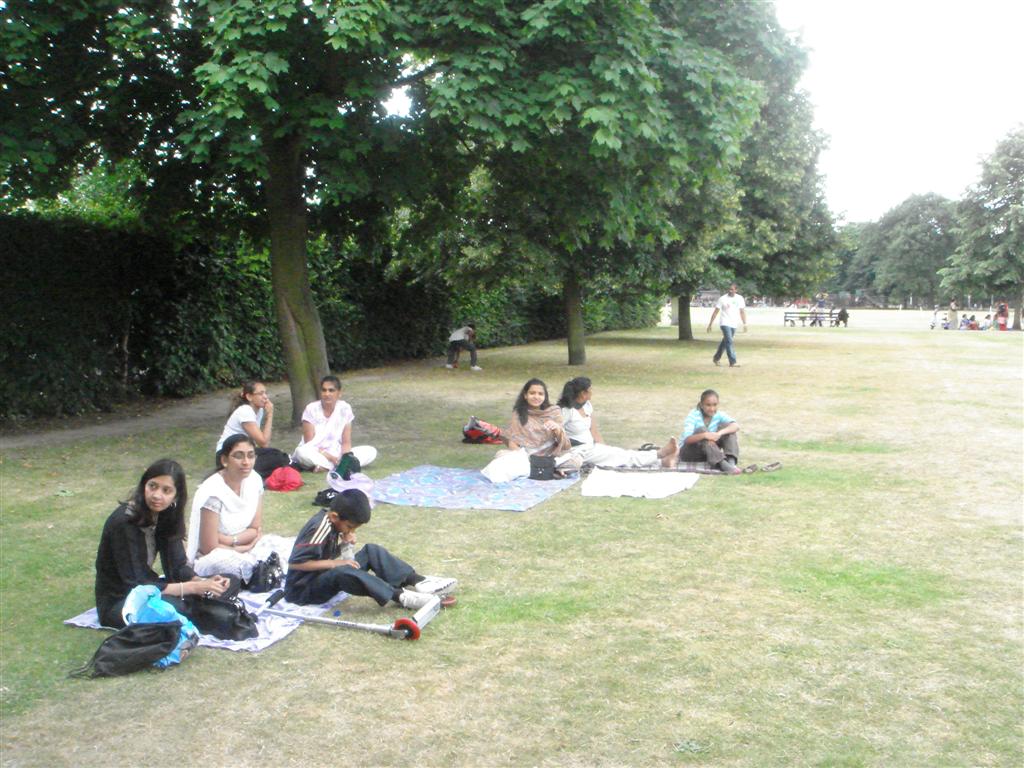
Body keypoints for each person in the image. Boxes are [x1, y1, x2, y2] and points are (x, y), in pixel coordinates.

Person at [95, 459, 233, 628]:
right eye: (152, 486)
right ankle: (205, 612)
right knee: (178, 607)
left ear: (176, 495)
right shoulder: (124, 522)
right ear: (143, 486)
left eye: (166, 490)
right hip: (122, 601)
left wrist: (204, 581)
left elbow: (177, 567)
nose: (157, 495)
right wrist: (194, 588)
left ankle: (207, 609)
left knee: (230, 582)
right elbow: (137, 585)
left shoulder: (167, 514)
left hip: (150, 588)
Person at [285, 489, 456, 609]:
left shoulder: (335, 523)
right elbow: (296, 564)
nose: (351, 531)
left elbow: (324, 553)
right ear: (335, 516)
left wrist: (345, 544)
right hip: (303, 591)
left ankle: (418, 581)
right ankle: (401, 596)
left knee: (370, 550)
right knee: (342, 570)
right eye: (350, 527)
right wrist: (335, 563)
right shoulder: (319, 527)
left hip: (322, 576)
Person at [188, 434, 293, 583]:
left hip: (247, 546)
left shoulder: (255, 480)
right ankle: (264, 572)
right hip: (217, 555)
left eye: (251, 456)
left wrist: (230, 540)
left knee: (287, 546)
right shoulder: (212, 492)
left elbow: (255, 528)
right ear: (224, 460)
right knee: (224, 562)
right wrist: (242, 548)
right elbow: (209, 547)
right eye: (239, 456)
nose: (246, 462)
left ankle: (262, 572)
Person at [557, 377, 677, 468]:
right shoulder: (566, 411)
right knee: (622, 456)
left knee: (617, 454)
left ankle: (661, 461)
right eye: (590, 390)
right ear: (583, 393)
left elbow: (594, 432)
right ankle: (659, 454)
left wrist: (604, 447)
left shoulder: (587, 406)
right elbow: (555, 432)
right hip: (578, 451)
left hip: (591, 448)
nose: (592, 392)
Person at [481, 378, 580, 483]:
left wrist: (557, 429)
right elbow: (512, 443)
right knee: (501, 455)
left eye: (540, 394)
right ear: (525, 395)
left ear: (545, 396)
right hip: (527, 457)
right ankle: (549, 471)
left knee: (576, 460)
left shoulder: (554, 412)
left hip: (551, 456)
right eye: (532, 393)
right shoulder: (519, 414)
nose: (536, 397)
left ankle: (543, 469)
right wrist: (527, 458)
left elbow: (565, 445)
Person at [291, 375, 377, 473]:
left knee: (371, 451)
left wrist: (345, 458)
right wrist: (330, 458)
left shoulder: (345, 408)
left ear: (339, 393)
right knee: (301, 452)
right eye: (324, 390)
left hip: (337, 453)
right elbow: (309, 444)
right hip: (316, 453)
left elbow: (346, 443)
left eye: (331, 390)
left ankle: (331, 467)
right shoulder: (311, 409)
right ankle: (337, 467)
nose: (327, 394)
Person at [215, 380, 283, 478]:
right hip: (227, 455)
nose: (265, 397)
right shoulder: (245, 411)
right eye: (260, 394)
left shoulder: (258, 411)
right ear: (249, 397)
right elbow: (263, 443)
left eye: (265, 393)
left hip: (243, 452)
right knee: (278, 458)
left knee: (276, 454)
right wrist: (270, 415)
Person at [678, 389, 742, 475]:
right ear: (701, 405)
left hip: (708, 454)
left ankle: (731, 462)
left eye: (715, 405)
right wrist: (705, 435)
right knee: (701, 430)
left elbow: (736, 426)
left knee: (727, 427)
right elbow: (687, 439)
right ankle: (722, 464)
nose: (712, 409)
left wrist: (719, 434)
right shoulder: (693, 415)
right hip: (689, 453)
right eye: (708, 405)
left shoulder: (719, 415)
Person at [707, 284, 747, 367]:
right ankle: (732, 362)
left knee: (725, 342)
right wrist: (710, 324)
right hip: (724, 323)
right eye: (729, 289)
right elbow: (716, 311)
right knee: (729, 341)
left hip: (734, 323)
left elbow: (742, 312)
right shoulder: (722, 299)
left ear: (736, 290)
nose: (730, 291)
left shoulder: (740, 298)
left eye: (732, 289)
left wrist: (745, 324)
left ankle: (716, 358)